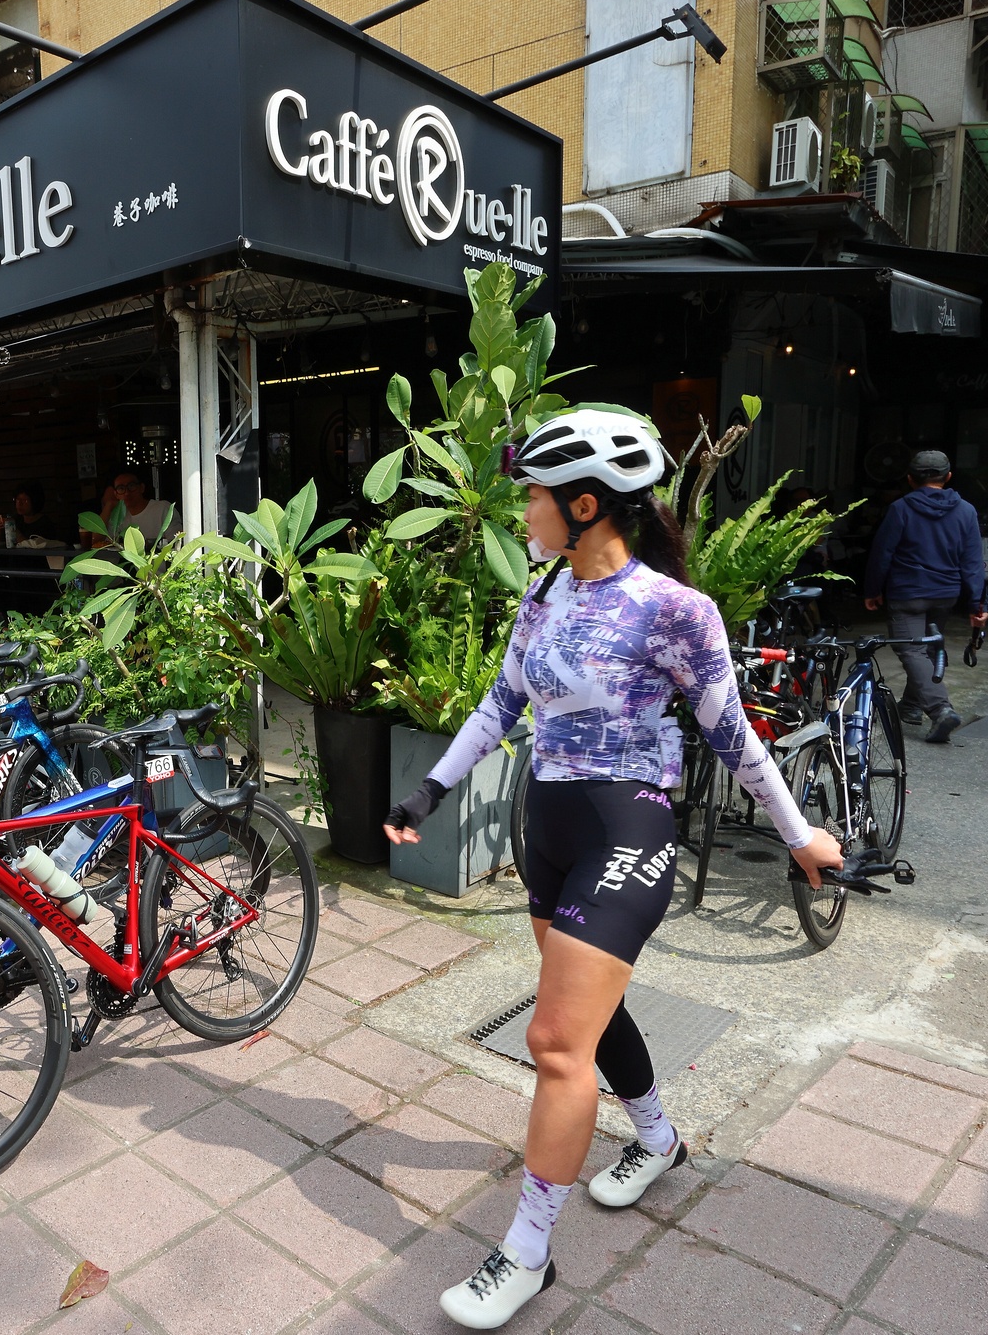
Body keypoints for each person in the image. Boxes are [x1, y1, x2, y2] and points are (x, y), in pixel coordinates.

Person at [382, 410, 842, 1330]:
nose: (524, 512)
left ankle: (526, 1253)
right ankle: (660, 1138)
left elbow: (733, 735)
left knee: (555, 1041)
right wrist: (428, 790)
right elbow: (500, 702)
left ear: (585, 505)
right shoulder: (546, 591)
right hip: (548, 827)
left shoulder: (674, 610)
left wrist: (799, 837)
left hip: (627, 828)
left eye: (535, 496)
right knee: (591, 1014)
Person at [862, 449, 987, 744]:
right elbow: (973, 562)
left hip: (908, 593)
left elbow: (882, 554)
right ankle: (910, 705)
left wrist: (872, 590)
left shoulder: (900, 509)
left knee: (913, 651)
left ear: (909, 479)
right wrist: (978, 604)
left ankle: (941, 709)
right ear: (949, 477)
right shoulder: (966, 511)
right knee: (928, 649)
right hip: (945, 594)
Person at [88, 470, 173, 548]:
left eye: (131, 486)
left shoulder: (163, 508)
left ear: (142, 488)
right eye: (121, 488)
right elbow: (95, 541)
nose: (127, 493)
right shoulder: (118, 516)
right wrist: (108, 506)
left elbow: (176, 543)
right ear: (116, 494)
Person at [0, 481, 53, 546]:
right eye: (17, 500)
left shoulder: (44, 524)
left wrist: (13, 529)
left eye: (25, 500)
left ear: (35, 501)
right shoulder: (16, 519)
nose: (19, 504)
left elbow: (33, 548)